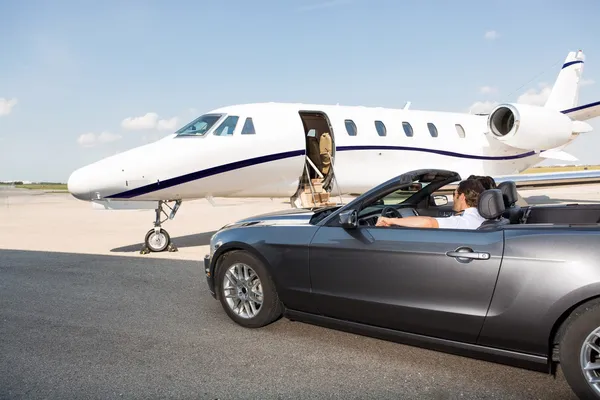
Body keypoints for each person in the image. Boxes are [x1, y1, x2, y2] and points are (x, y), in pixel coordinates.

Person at [376, 178, 486, 229]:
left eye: (454, 193)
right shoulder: (481, 216)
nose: (453, 198)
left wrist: (390, 220)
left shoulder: (462, 221)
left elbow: (428, 223)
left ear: (461, 197)